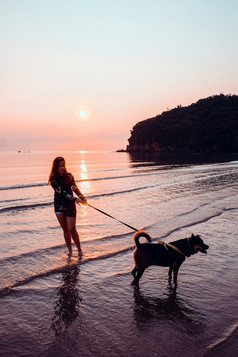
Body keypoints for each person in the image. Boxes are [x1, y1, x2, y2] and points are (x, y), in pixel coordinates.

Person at [49, 156, 88, 256]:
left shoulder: (69, 176)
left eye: (63, 165)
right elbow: (61, 192)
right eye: (60, 166)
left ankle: (79, 250)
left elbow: (74, 188)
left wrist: (82, 197)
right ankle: (70, 251)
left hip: (70, 205)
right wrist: (75, 199)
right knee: (65, 230)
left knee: (72, 229)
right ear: (56, 167)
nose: (62, 168)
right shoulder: (53, 179)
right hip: (59, 205)